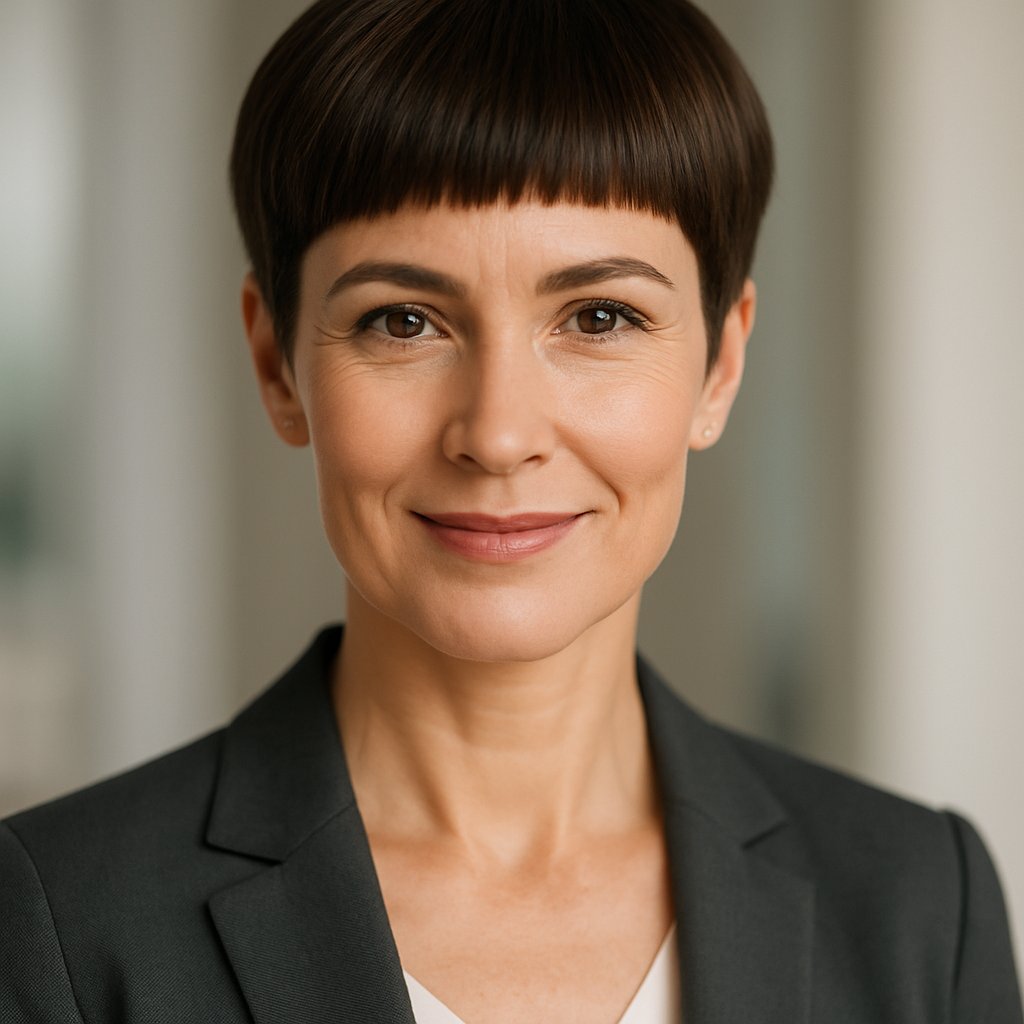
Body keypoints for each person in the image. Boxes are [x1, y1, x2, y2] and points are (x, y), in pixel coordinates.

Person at [1, 0, 1021, 1020]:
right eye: (402, 321)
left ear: (721, 362)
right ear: (276, 363)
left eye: (599, 316)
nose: (496, 433)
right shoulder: (62, 919)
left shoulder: (921, 902)